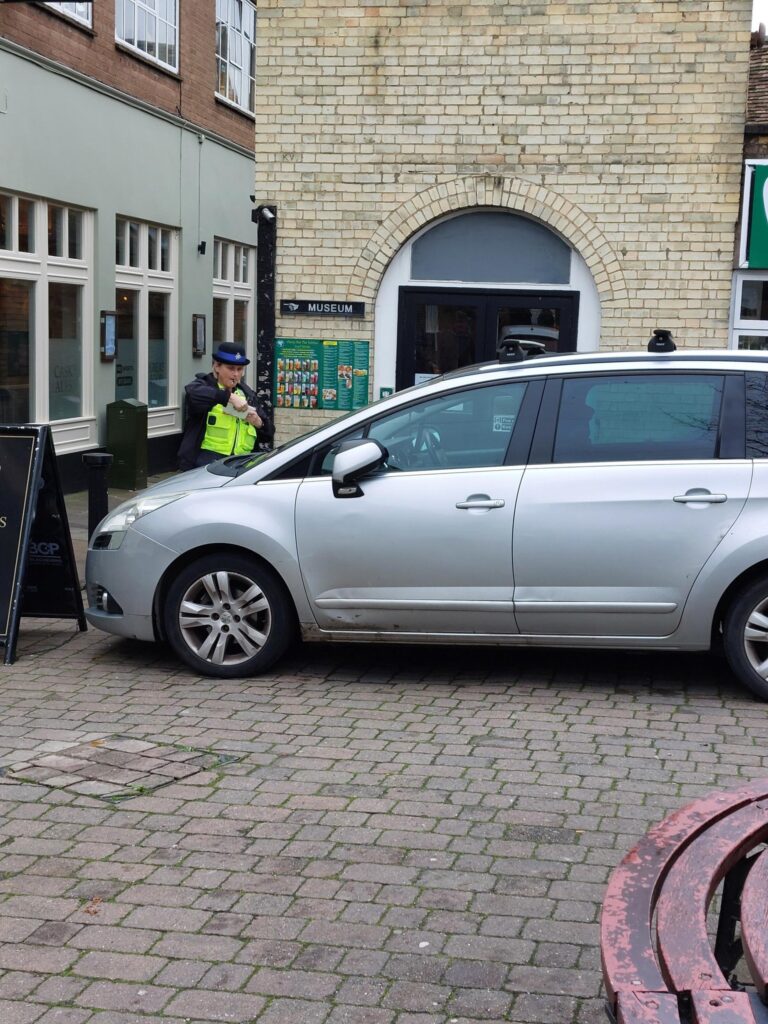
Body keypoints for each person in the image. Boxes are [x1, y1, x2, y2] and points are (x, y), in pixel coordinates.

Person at [177, 342, 274, 471]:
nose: (236, 374)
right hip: (207, 463)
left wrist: (258, 422)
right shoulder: (205, 385)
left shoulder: (247, 394)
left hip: (242, 463)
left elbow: (269, 432)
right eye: (231, 368)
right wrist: (229, 397)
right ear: (216, 366)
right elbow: (192, 392)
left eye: (240, 369)